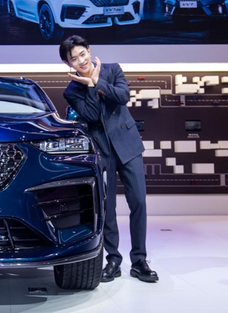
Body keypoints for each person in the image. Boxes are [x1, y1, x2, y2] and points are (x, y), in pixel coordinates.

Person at [59, 35, 158, 283]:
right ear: (68, 64)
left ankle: (139, 260)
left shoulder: (112, 70)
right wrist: (90, 86)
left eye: (82, 54)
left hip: (128, 146)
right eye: (74, 59)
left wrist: (97, 81)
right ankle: (113, 260)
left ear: (89, 51)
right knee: (108, 208)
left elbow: (123, 96)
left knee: (139, 202)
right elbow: (92, 115)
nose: (81, 61)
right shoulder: (71, 91)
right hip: (102, 152)